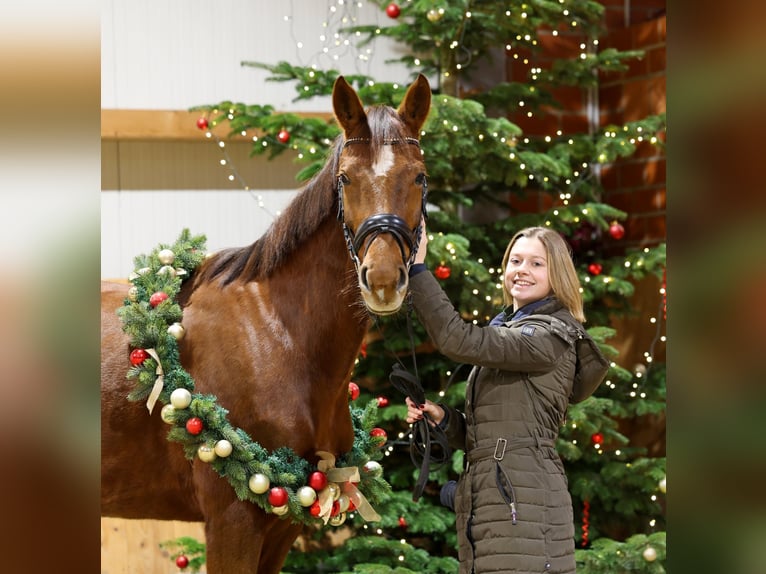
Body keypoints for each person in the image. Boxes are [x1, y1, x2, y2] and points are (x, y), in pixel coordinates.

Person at [405, 223, 609, 574]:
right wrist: (445, 420)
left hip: (523, 504)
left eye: (536, 264)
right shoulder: (509, 328)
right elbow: (497, 430)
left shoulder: (550, 335)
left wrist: (419, 271)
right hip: (496, 500)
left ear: (556, 274)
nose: (522, 271)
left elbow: (458, 340)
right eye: (516, 261)